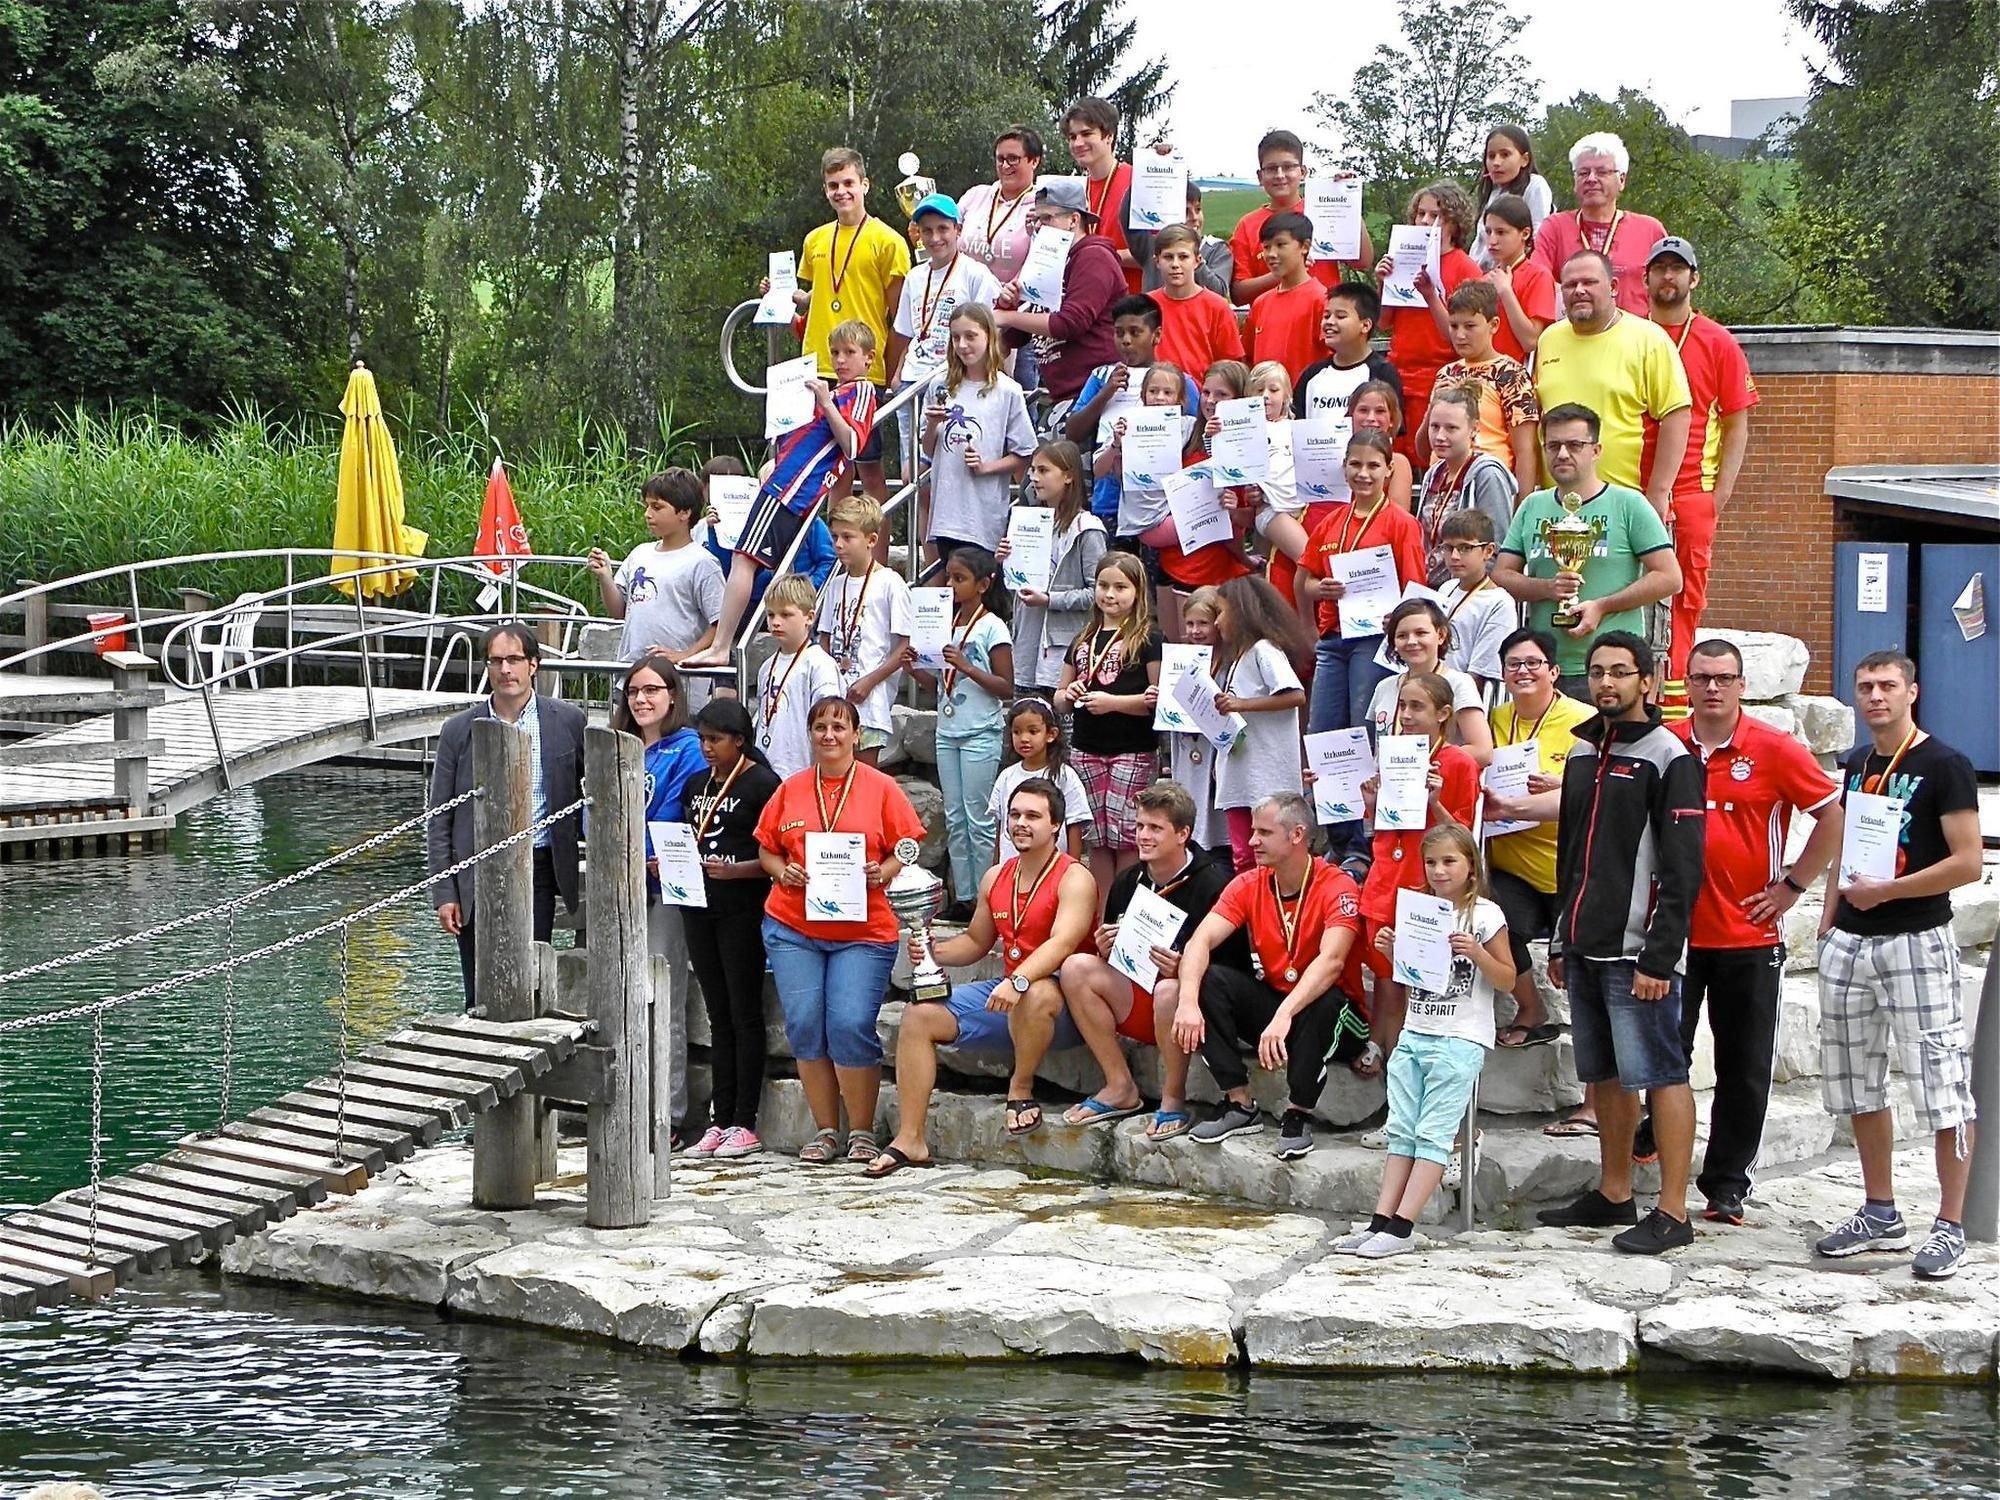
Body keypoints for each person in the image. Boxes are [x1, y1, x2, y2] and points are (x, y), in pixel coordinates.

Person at [1812, 651, 1982, 1282]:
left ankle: (1950, 1223)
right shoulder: (1857, 763)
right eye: (1865, 687)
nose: (1875, 697)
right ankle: (1879, 1209)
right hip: (1852, 941)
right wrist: (1828, 922)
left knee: (1940, 1082)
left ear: (1914, 690)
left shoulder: (1945, 765)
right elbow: (1845, 849)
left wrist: (1887, 893)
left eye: (1887, 686)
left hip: (1915, 938)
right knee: (1857, 1081)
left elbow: (1969, 863)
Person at [1535, 631, 1706, 1255]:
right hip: (1584, 943)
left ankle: (1674, 1210)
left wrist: (1660, 956)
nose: (1606, 683)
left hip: (1640, 953)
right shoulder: (1582, 753)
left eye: (1620, 672)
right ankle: (1613, 1194)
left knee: (1662, 1074)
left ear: (1647, 681)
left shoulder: (1671, 757)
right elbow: (1571, 856)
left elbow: (1684, 869)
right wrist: (1561, 937)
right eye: (1599, 672)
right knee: (1604, 1076)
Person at [1669, 638, 1840, 1224]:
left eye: (1724, 678)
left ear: (1742, 685)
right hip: (1674, 935)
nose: (1712, 688)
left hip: (1748, 934)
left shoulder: (1774, 748)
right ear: (1686, 683)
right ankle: (1652, 1135)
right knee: (1666, 1055)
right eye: (1701, 678)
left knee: (1743, 1066)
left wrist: (1792, 886)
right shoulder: (1667, 744)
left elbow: (1832, 817)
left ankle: (1725, 1183)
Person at [870, 777, 1100, 1174]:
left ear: (1056, 825)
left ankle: (1021, 1087)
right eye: (1014, 815)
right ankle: (911, 1138)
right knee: (917, 1016)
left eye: (1033, 816)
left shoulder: (1075, 876)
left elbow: (1062, 944)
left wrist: (1019, 980)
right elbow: (976, 942)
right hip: (1009, 994)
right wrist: (931, 948)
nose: (1021, 824)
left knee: (1038, 993)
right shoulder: (997, 875)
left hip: (1065, 1003)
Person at [754, 695, 927, 1165]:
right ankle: (826, 1130)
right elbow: (767, 848)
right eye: (820, 727)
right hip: (794, 927)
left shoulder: (881, 788)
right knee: (807, 1025)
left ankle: (864, 1131)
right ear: (810, 734)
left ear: (856, 734)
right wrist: (780, 871)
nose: (829, 735)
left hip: (862, 930)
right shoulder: (790, 789)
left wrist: (885, 869)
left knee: (850, 1024)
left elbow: (908, 846)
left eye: (839, 726)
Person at [1343, 824, 1513, 1256]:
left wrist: (1477, 953)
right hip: (1417, 1030)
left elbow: (1507, 978)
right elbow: (1411, 975)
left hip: (1459, 1037)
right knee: (1402, 1130)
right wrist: (1391, 948)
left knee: (1434, 1134)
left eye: (1449, 861)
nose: (1439, 871)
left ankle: (1403, 1227)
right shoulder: (1419, 910)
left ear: (1471, 866)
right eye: (1432, 862)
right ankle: (1380, 1221)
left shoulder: (1486, 915)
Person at [1173, 792, 1369, 1157]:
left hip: (1337, 1014)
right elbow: (1200, 941)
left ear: (1297, 835)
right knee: (1210, 979)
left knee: (1326, 1001)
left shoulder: (1336, 885)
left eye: (1263, 832)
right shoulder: (1250, 882)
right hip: (1279, 1003)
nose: (1251, 842)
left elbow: (1332, 963)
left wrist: (1284, 1015)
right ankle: (1239, 1103)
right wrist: (1186, 1002)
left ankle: (1299, 1112)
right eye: (1252, 831)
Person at [685, 320, 878, 668]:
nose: (840, 360)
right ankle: (736, 644)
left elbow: (851, 444)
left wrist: (825, 400)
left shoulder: (859, 392)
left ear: (869, 358)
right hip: (785, 484)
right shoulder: (833, 393)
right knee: (752, 562)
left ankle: (722, 645)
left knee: (745, 558)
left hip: (791, 490)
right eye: (835, 352)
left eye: (850, 353)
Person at [1059, 779, 1243, 1137]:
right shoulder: (1129, 880)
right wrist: (1105, 947)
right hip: (1139, 996)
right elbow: (1114, 950)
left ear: (1183, 834)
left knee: (1171, 989)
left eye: (1156, 828)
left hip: (1192, 1012)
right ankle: (1119, 1085)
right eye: (1140, 826)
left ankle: (1173, 1099)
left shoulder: (1214, 884)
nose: (1143, 835)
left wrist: (1186, 970)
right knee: (1076, 967)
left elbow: (1233, 969)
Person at [427, 623, 585, 1012]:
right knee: (479, 984)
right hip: (477, 868)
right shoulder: (458, 730)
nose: (505, 670)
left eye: (514, 660)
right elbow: (439, 816)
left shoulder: (567, 721)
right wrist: (445, 893)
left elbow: (587, 794)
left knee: (530, 974)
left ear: (534, 665)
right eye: (496, 661)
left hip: (540, 864)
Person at [1494, 404, 1682, 689]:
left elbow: (1669, 578)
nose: (1562, 454)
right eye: (1553, 445)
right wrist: (1547, 588)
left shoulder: (1628, 504)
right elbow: (1501, 575)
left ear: (1596, 450)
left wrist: (1602, 607)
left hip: (1613, 671)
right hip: (1546, 669)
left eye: (1575, 445)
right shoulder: (1532, 506)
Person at [1642, 236, 1759, 685]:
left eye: (1677, 268)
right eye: (1660, 268)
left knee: (1685, 595)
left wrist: (1719, 494)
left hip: (1692, 491)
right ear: (1646, 277)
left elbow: (1736, 424)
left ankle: (1676, 694)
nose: (1667, 277)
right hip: (1631, 488)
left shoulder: (1717, 341)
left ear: (1694, 278)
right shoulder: (1631, 333)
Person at [1356, 672, 1482, 1061]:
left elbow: (1463, 839)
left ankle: (1407, 1066)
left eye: (1417, 707)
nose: (1406, 715)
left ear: (1444, 713)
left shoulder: (1457, 761)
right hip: (1385, 880)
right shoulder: (1395, 753)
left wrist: (1436, 801)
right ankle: (1381, 1051)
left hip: (1423, 885)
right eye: (1402, 706)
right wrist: (1372, 802)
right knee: (1384, 974)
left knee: (1415, 980)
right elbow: (1380, 826)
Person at [1481, 627, 1596, 1052]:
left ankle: (1591, 1051)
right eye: (1514, 665)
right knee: (1492, 918)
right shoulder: (1493, 721)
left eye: (1533, 663)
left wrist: (1563, 782)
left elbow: (1599, 788)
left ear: (1554, 670)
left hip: (1571, 866)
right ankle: (1531, 1010)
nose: (1523, 672)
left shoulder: (1584, 722)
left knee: (1580, 958)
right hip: (1514, 865)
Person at [680, 698, 783, 1159]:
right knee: (717, 1013)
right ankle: (721, 1119)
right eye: (702, 738)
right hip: (698, 906)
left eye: (716, 739)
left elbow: (777, 856)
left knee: (744, 1012)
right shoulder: (696, 783)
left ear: (739, 740)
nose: (706, 748)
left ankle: (745, 1118)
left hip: (742, 908)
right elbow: (689, 834)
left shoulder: (763, 784)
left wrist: (737, 871)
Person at [616, 654, 706, 1147]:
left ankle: (666, 1114)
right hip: (621, 886)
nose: (642, 699)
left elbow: (677, 811)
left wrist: (645, 852)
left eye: (651, 690)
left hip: (667, 887)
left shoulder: (686, 749)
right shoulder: (620, 746)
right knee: (625, 998)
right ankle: (628, 1100)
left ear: (672, 696)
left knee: (660, 998)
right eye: (634, 692)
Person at [788, 146, 910, 502]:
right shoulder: (815, 240)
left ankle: (878, 556)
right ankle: (836, 556)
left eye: (847, 183)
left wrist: (891, 370)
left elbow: (898, 314)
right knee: (826, 468)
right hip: (816, 364)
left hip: (862, 370)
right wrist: (784, 295)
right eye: (832, 185)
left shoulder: (889, 241)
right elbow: (819, 294)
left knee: (869, 469)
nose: (841, 191)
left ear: (865, 185)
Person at [1533, 251, 1690, 518]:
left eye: (1589, 282)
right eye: (1570, 285)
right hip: (1556, 505)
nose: (1579, 291)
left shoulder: (1648, 339)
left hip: (1624, 504)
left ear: (1613, 287)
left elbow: (1677, 414)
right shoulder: (1548, 340)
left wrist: (1659, 492)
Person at [905, 546, 1013, 920]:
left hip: (980, 730)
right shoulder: (944, 622)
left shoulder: (992, 626)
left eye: (960, 579)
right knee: (954, 816)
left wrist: (966, 666)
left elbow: (1006, 687)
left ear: (983, 585)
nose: (951, 585)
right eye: (949, 577)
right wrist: (914, 667)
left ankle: (986, 899)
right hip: (948, 729)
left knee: (979, 817)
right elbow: (937, 681)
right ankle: (964, 896)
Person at [1297, 430, 1427, 743]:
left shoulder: (1401, 523)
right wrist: (1320, 591)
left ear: (1389, 470)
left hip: (1374, 639)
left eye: (1373, 466)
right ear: (1344, 467)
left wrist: (1399, 623)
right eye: (1356, 464)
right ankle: (1327, 793)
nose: (1363, 474)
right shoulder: (1331, 522)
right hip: (1332, 637)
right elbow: (1304, 580)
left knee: (1363, 730)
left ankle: (1364, 793)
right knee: (1322, 732)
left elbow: (1415, 590)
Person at [1058, 551, 1163, 893]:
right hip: (1086, 749)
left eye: (1120, 587)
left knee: (1128, 836)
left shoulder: (1149, 638)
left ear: (1137, 592)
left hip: (1132, 749)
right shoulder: (1082, 639)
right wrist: (1070, 694)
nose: (1110, 594)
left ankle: (1126, 913)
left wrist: (1114, 703)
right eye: (1103, 585)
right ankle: (1104, 914)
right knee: (1097, 836)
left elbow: (1157, 699)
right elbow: (1058, 698)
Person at [1067, 293, 1200, 536]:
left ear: (1156, 335)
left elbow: (1195, 438)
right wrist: (1107, 393)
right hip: (1108, 499)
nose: (1126, 340)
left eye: (1135, 332)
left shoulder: (1181, 381)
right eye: (1119, 333)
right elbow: (1073, 432)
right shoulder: (1101, 377)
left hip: (1160, 505)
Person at [888, 193, 1003, 461]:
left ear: (958, 230)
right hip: (912, 380)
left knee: (947, 460)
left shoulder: (975, 274)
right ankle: (918, 506)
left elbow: (990, 331)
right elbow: (907, 333)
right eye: (927, 231)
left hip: (952, 379)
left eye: (943, 229)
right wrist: (897, 375)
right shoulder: (915, 277)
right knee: (912, 468)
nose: (935, 237)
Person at [1375, 181, 1482, 467]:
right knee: (1395, 460)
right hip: (1399, 375)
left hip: (1439, 378)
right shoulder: (1403, 259)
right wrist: (1383, 283)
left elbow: (1462, 339)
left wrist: (1432, 296)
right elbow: (1384, 322)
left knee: (1430, 458)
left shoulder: (1465, 267)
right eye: (1420, 214)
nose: (1424, 221)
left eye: (1435, 215)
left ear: (1454, 223)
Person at [1208, 576, 1310, 872]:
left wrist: (1241, 704)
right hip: (1241, 776)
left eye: (1221, 613)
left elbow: (1295, 695)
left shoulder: (1264, 650)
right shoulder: (1240, 656)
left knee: (1266, 856)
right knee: (1244, 855)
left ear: (1241, 613)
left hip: (1265, 778)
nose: (1216, 623)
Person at [993, 179, 1124, 410]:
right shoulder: (1049, 260)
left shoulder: (1094, 257)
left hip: (1096, 394)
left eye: (1047, 219)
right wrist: (1009, 304)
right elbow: (1015, 337)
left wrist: (1006, 317)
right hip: (1064, 395)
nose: (1039, 227)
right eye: (1036, 220)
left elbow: (1071, 323)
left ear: (1073, 220)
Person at [922, 303, 1036, 559]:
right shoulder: (939, 385)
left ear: (989, 336)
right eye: (956, 337)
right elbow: (928, 450)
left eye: (970, 336)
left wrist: (986, 467)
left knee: (981, 587)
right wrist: (932, 425)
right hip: (946, 514)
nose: (962, 345)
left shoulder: (1008, 391)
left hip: (984, 515)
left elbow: (1025, 452)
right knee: (954, 584)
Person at [587, 468, 725, 665]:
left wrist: (686, 654)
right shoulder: (639, 553)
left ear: (685, 512)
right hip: (632, 671)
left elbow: (720, 622)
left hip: (679, 678)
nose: (647, 514)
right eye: (647, 506)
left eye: (657, 507)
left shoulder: (702, 563)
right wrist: (605, 577)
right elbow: (619, 612)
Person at [1002, 440, 1106, 694]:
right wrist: (1005, 564)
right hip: (1027, 649)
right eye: (1033, 471)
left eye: (1044, 470)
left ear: (1068, 475)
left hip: (1066, 654)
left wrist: (1050, 599)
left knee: (1062, 730)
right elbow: (1014, 591)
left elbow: (1099, 594)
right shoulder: (1029, 523)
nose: (1035, 478)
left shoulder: (1087, 529)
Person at [813, 495, 910, 767]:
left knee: (863, 780)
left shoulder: (891, 583)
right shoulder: (836, 585)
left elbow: (904, 647)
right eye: (834, 537)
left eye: (848, 537)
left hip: (870, 703)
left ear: (871, 540)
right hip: (835, 699)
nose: (839, 545)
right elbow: (825, 640)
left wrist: (869, 681)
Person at [1530, 133, 1668, 317]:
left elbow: (1667, 286)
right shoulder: (1555, 228)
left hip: (1635, 338)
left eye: (1602, 172)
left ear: (1622, 180)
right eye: (1583, 173)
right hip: (1575, 334)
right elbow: (1536, 281)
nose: (1591, 179)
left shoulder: (1650, 230)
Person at [1228, 129, 1372, 303]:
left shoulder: (1323, 211)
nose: (1280, 175)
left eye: (1288, 167)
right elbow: (1239, 294)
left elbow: (1363, 261)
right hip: (1274, 322)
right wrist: (1284, 271)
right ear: (1260, 176)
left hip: (1324, 320)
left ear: (1303, 172)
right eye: (1272, 169)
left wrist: (1348, 203)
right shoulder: (1247, 225)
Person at [1293, 283, 1403, 503]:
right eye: (1326, 316)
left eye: (1340, 316)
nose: (1330, 322)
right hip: (1316, 490)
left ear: (1365, 325)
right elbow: (1297, 429)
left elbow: (1393, 432)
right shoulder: (1312, 375)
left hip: (1364, 486)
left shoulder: (1381, 373)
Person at [1432, 282, 1541, 493]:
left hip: (1487, 484)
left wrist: (1522, 508)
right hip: (1442, 484)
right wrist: (1434, 406)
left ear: (1494, 325)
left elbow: (1525, 450)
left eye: (1470, 326)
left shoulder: (1510, 373)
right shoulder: (1446, 373)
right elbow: (1424, 446)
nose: (1460, 335)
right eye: (1454, 326)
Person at [698, 454, 836, 609]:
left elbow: (828, 560)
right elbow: (727, 567)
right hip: (758, 601)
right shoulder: (754, 520)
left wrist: (807, 588)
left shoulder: (810, 522)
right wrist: (715, 530)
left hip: (799, 602)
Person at [1367, 599, 1494, 762]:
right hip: (1391, 785)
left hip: (1438, 784)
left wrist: (1420, 763)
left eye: (1421, 633)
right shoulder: (1384, 687)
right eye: (1402, 635)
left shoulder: (1459, 683)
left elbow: (1482, 752)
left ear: (1440, 635)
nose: (1411, 641)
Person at [1414, 386, 1518, 584]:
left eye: (1451, 428)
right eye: (1434, 426)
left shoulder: (1488, 474)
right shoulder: (1433, 474)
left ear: (1474, 429)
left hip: (1467, 590)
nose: (1440, 436)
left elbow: (1496, 548)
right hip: (1430, 589)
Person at [751, 572, 842, 779]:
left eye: (786, 615)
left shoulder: (819, 664)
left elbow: (830, 721)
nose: (776, 622)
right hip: (767, 770)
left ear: (809, 617)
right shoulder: (767, 667)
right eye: (771, 614)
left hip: (804, 770)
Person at [988, 696, 1093, 868]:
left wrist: (1073, 868)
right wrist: (998, 867)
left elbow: (1074, 825)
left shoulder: (1064, 776)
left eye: (1033, 731)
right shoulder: (1006, 777)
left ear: (1051, 734)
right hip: (1012, 868)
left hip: (1053, 869)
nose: (1024, 738)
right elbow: (1001, 827)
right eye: (1017, 732)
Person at [1165, 588, 1231, 857]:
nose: (1195, 631)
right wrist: (1160, 697)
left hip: (1215, 752)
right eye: (1190, 623)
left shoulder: (1229, 661)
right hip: (1188, 749)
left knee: (1217, 822)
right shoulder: (1180, 660)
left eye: (1203, 623)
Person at [1062, 95, 1147, 293]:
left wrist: (1098, 258)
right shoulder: (1077, 190)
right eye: (1072, 137)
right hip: (1090, 303)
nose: (1077, 143)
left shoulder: (1137, 182)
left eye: (1086, 134)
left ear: (1109, 135)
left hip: (1133, 306)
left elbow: (1157, 253)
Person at [1243, 212, 1329, 385]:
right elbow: (1248, 358)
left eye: (1281, 245)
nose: (1272, 254)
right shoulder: (1261, 304)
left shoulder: (1321, 300)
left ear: (1304, 246)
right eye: (1266, 247)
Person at [1433, 509, 1514, 689]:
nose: (1454, 556)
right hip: (1431, 690)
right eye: (1448, 547)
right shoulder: (1446, 589)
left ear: (1488, 551)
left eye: (1465, 548)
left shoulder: (1499, 603)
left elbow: (1481, 671)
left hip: (1462, 696)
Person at [1149, 224, 1243, 377]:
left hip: (1203, 396)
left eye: (1183, 257)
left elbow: (1230, 366)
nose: (1175, 264)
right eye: (1168, 257)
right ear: (1157, 261)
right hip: (1156, 395)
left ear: (1197, 260)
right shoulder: (1147, 305)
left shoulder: (1217, 307)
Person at [959, 126, 1045, 286]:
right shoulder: (975, 196)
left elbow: (1042, 265)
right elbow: (948, 236)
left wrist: (1008, 295)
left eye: (1013, 158)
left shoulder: (1043, 207)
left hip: (1011, 304)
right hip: (962, 300)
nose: (1005, 166)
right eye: (1000, 159)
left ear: (1034, 161)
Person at [1480, 193, 1558, 361]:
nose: (1492, 240)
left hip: (1515, 375)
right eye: (1488, 232)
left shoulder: (1538, 276)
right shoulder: (1484, 280)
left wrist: (1506, 293)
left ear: (1525, 233)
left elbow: (1530, 341)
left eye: (1501, 232)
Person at [1471, 124, 1553, 268]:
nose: (1496, 162)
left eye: (1505, 155)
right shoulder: (1493, 193)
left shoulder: (1534, 185)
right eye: (1491, 156)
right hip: (1481, 276)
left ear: (1524, 159)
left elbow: (1538, 238)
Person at [1143, 180, 1235, 299]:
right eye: (1186, 212)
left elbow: (1219, 292)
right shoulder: (1152, 246)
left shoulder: (1216, 248)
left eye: (1198, 209)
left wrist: (1195, 258)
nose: (1195, 217)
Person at [1349, 380, 1415, 513]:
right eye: (1363, 410)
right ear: (1351, 415)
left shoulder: (1397, 462)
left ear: (1391, 419)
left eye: (1380, 411)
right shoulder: (1335, 455)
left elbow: (1397, 519)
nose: (1371, 418)